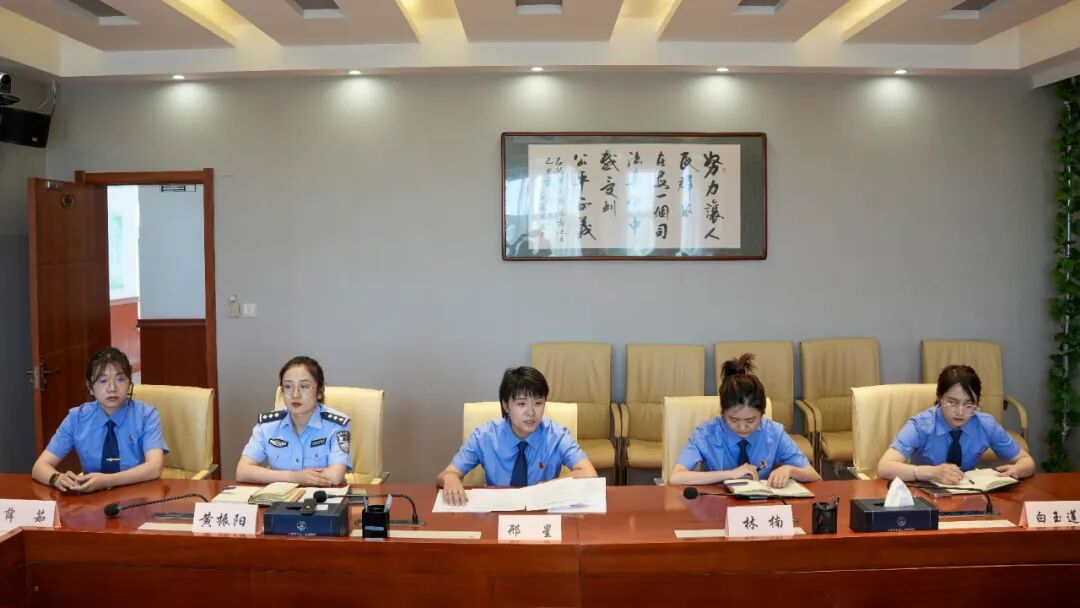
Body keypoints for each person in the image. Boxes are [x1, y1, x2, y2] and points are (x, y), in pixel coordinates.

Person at [437, 366, 597, 505]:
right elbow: (446, 474)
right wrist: (450, 478)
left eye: (538, 403)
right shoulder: (484, 436)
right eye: (521, 404)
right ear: (506, 405)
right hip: (497, 512)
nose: (531, 412)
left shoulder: (557, 436)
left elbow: (589, 474)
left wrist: (548, 486)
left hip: (542, 511)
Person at [669, 353, 821, 488]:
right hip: (716, 506)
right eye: (733, 419)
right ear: (723, 413)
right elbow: (676, 477)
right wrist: (730, 474)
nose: (742, 427)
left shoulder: (774, 433)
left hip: (760, 506)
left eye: (750, 420)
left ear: (762, 414)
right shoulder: (706, 433)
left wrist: (790, 470)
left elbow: (814, 476)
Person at [31, 347, 167, 492]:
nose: (112, 388)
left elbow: (155, 467)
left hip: (136, 494)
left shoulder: (146, 415)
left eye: (120, 379)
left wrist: (108, 480)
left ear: (129, 383)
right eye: (103, 381)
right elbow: (39, 467)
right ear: (90, 387)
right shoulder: (76, 418)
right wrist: (57, 478)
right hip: (92, 497)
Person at [877, 364, 1035, 483]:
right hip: (926, 494)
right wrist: (931, 472)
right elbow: (884, 467)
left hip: (970, 496)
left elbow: (1027, 461)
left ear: (977, 402)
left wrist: (1017, 470)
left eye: (969, 404)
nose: (960, 412)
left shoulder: (986, 425)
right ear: (939, 398)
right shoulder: (921, 425)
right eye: (952, 402)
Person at [236, 356, 351, 487]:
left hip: (321, 497)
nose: (295, 395)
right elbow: (242, 471)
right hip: (280, 497)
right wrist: (294, 477)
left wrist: (277, 476)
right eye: (288, 386)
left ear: (319, 392)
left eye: (304, 386)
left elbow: (335, 476)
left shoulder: (336, 425)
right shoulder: (268, 425)